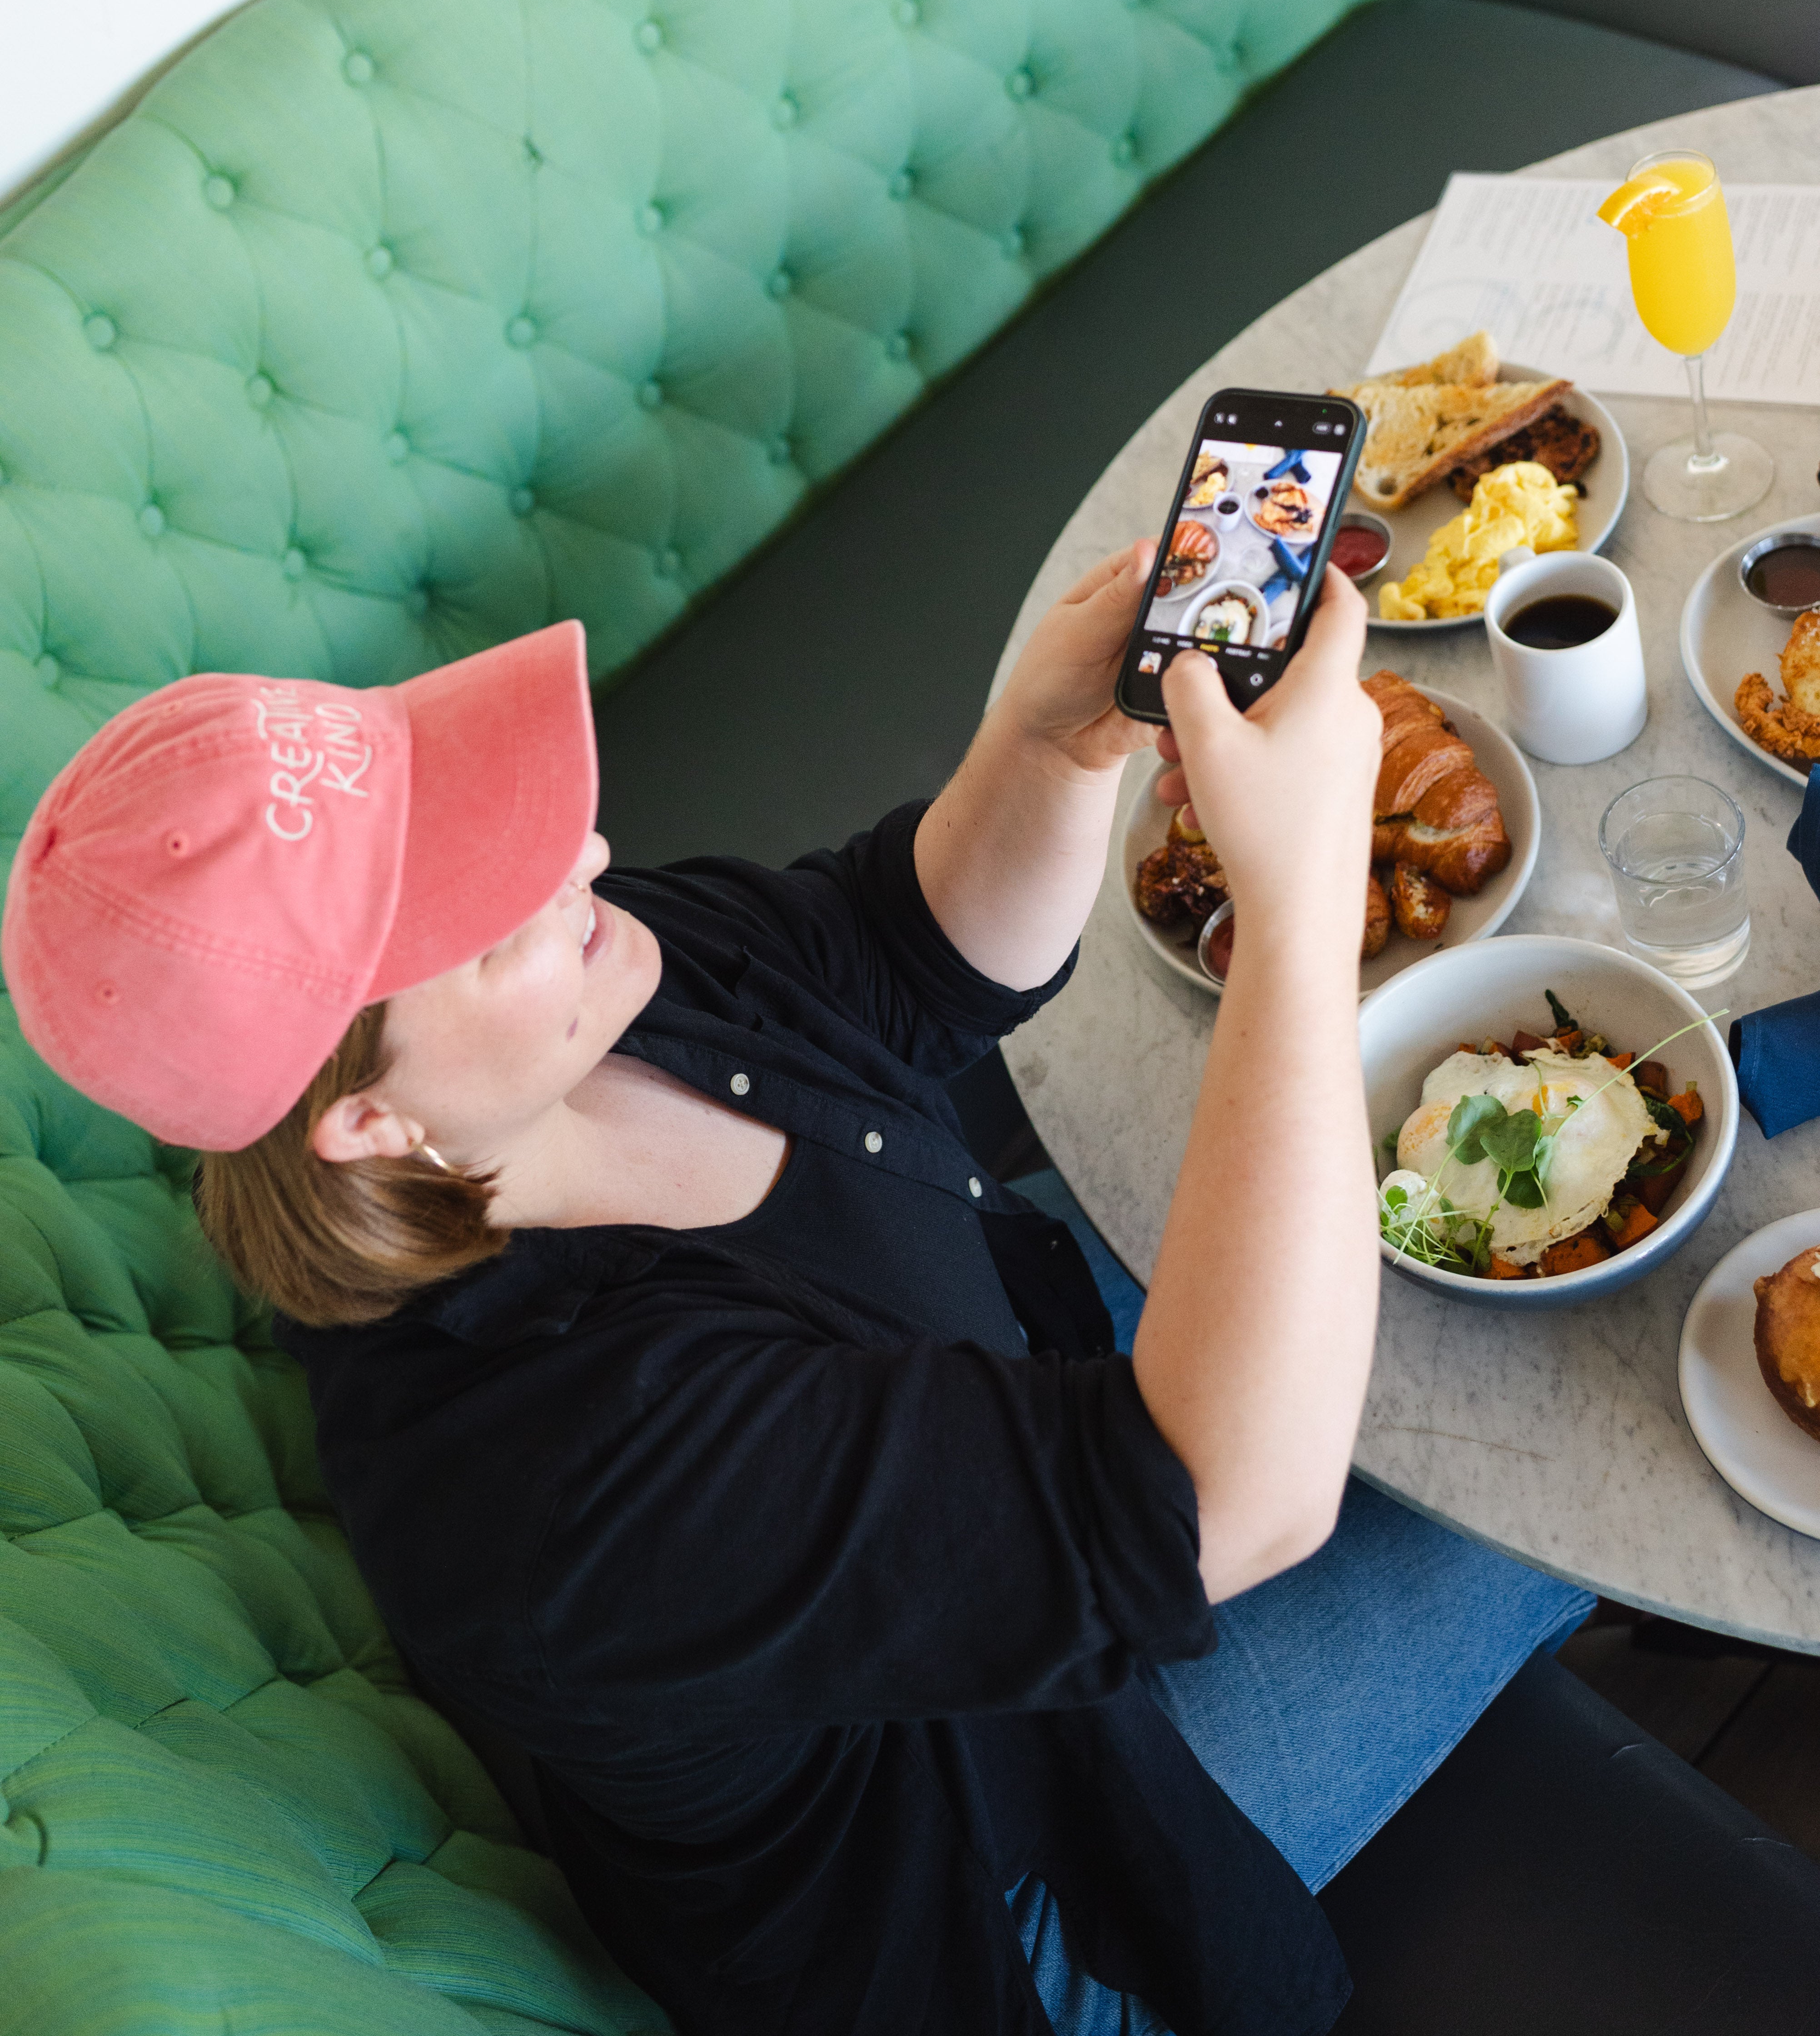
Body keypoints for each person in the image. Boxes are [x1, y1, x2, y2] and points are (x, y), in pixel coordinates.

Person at [2, 550, 1586, 2036]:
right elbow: (1222, 1502)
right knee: (1577, 1436)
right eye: (495, 907)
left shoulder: (593, 990)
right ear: (371, 1123)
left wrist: (1051, 749)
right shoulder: (570, 1480)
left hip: (1033, 1435)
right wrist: (1296, 902)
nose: (580, 854)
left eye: (483, 800)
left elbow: (897, 956)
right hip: (1028, 1851)